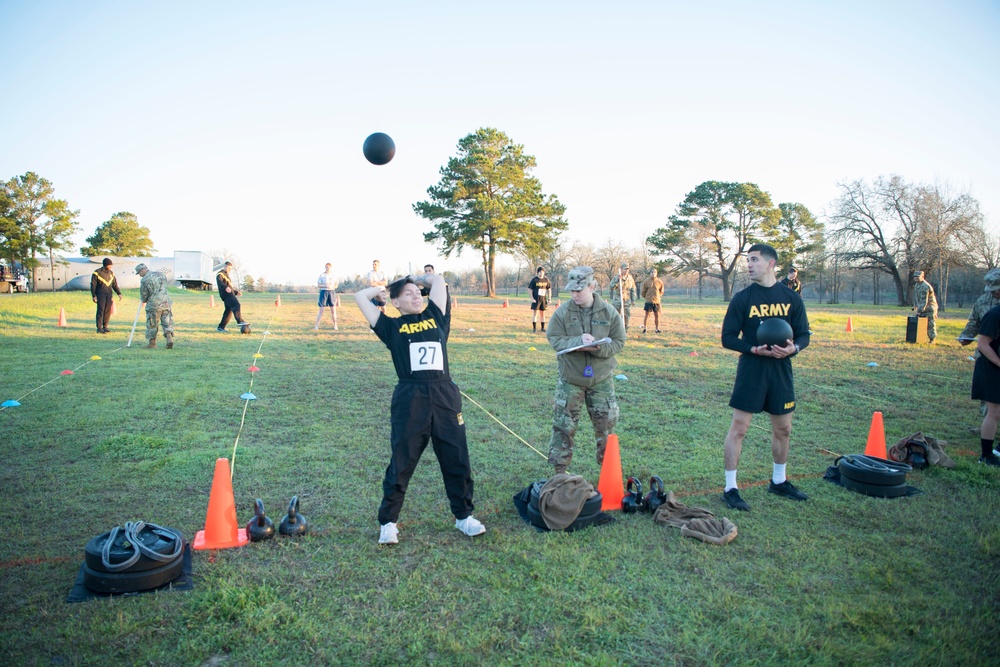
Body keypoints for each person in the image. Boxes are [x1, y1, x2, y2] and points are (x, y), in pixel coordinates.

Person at [355, 272, 485, 544]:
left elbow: (437, 282)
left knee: (456, 457)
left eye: (418, 292)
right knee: (403, 460)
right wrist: (381, 289)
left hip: (444, 394)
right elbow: (359, 297)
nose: (416, 296)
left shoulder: (436, 315)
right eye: (408, 294)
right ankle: (388, 522)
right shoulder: (390, 326)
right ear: (395, 302)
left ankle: (464, 517)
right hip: (410, 397)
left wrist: (415, 278)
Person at [720, 244, 811, 512]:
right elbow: (727, 337)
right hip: (752, 369)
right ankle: (730, 488)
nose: (749, 264)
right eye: (747, 260)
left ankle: (779, 481)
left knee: (784, 428)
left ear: (771, 263)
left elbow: (804, 333)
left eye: (754, 260)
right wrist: (752, 349)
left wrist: (794, 348)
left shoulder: (791, 298)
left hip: (781, 370)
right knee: (739, 429)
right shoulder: (742, 298)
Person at [545, 266, 627, 474]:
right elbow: (554, 339)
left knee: (606, 426)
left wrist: (599, 349)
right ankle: (559, 474)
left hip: (601, 379)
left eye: (578, 290)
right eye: (571, 291)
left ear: (592, 287)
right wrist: (577, 342)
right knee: (563, 427)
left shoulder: (609, 312)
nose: (574, 295)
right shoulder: (563, 312)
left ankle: (608, 473)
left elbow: (619, 341)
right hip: (571, 379)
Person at [962, 269, 1000, 441]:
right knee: (989, 399)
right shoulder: (984, 300)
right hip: (987, 355)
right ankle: (989, 426)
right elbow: (974, 321)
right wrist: (966, 336)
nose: (994, 292)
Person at [972, 301, 1000, 467]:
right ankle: (986, 456)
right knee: (994, 411)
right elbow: (982, 344)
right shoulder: (995, 315)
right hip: (991, 368)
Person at [136, 263, 174, 349]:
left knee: (152, 323)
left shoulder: (145, 280)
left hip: (154, 304)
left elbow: (144, 295)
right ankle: (169, 338)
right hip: (166, 302)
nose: (140, 275)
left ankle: (152, 343)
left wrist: (144, 299)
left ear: (143, 270)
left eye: (139, 273)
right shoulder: (161, 274)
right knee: (167, 321)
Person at [90, 258, 122, 334]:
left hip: (109, 294)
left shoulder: (111, 273)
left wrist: (119, 293)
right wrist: (94, 295)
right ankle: (99, 328)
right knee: (101, 311)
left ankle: (105, 326)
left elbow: (115, 284)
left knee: (107, 311)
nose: (111, 266)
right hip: (100, 294)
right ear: (105, 265)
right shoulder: (97, 273)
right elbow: (93, 285)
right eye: (109, 265)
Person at [216, 261, 248, 333]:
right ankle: (240, 321)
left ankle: (220, 327)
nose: (229, 270)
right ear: (224, 266)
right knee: (236, 304)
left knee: (228, 312)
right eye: (228, 268)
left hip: (230, 294)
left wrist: (236, 292)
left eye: (230, 269)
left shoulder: (227, 276)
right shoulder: (220, 274)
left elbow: (230, 287)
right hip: (227, 295)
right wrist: (225, 288)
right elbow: (220, 283)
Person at [608, 262, 636, 331]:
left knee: (626, 315)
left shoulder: (630, 278)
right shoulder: (617, 277)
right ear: (621, 269)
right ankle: (616, 329)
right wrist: (617, 280)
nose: (626, 271)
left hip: (626, 299)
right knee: (616, 315)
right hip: (617, 299)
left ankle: (625, 328)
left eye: (627, 269)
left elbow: (633, 289)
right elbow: (611, 286)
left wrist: (633, 300)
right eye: (625, 269)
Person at [912, 270, 937, 343]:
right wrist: (916, 305)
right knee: (921, 324)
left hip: (929, 308)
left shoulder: (925, 286)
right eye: (915, 277)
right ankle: (920, 339)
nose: (916, 278)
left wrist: (919, 311)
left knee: (930, 324)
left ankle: (932, 339)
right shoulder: (917, 285)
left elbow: (924, 300)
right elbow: (917, 297)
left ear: (922, 277)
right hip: (922, 307)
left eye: (917, 277)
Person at [315, 263, 339, 330]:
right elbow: (318, 285)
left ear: (331, 268)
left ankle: (335, 325)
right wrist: (325, 286)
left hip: (331, 292)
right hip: (324, 292)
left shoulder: (334, 275)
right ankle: (316, 325)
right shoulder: (322, 275)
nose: (328, 269)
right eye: (326, 267)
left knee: (333, 310)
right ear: (325, 268)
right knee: (321, 310)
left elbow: (336, 285)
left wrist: (333, 286)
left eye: (329, 267)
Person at [528, 266, 552, 332]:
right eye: (540, 272)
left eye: (542, 272)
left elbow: (549, 289)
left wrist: (549, 298)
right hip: (536, 299)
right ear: (537, 273)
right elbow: (529, 289)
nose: (541, 273)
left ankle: (542, 328)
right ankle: (534, 328)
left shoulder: (546, 280)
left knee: (543, 313)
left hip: (543, 299)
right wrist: (532, 298)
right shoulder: (534, 280)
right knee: (535, 313)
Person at [640, 268, 665, 333]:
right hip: (648, 301)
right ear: (650, 273)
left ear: (656, 274)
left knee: (657, 315)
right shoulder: (646, 281)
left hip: (656, 301)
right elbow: (643, 291)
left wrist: (658, 297)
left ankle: (657, 329)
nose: (653, 273)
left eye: (654, 272)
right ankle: (645, 329)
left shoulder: (659, 282)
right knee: (647, 315)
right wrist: (646, 297)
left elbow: (661, 291)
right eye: (652, 272)